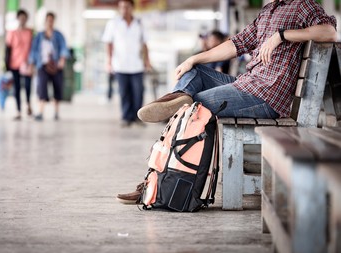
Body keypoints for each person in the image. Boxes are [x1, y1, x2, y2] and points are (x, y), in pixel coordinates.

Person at [117, 0, 337, 203]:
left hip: (265, 95)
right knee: (195, 73)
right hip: (246, 84)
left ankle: (155, 184)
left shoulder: (302, 5)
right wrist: (192, 58)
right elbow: (236, 44)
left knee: (193, 109)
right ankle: (177, 99)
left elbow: (328, 32)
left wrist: (282, 35)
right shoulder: (268, 11)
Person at [102, 0, 152, 127]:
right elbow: (108, 43)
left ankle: (137, 117)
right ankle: (126, 117)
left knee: (138, 91)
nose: (124, 9)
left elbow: (144, 43)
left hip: (137, 65)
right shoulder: (113, 23)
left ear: (132, 8)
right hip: (120, 64)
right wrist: (109, 61)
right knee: (124, 92)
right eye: (121, 7)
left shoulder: (139, 23)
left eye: (126, 7)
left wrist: (147, 61)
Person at [28, 12, 69, 121]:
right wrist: (31, 64)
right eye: (48, 20)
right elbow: (33, 51)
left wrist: (62, 60)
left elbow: (64, 49)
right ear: (45, 21)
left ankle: (56, 112)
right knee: (41, 88)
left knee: (57, 87)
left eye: (52, 20)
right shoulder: (39, 36)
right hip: (43, 66)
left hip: (56, 66)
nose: (50, 22)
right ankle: (41, 112)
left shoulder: (59, 35)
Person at [6, 9, 33, 120]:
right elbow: (8, 49)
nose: (22, 20)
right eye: (20, 17)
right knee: (16, 88)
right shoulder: (12, 33)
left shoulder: (30, 32)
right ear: (17, 19)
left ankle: (28, 105)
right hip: (14, 64)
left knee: (27, 86)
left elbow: (33, 48)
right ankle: (18, 111)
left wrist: (32, 63)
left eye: (24, 17)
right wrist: (6, 64)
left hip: (27, 63)